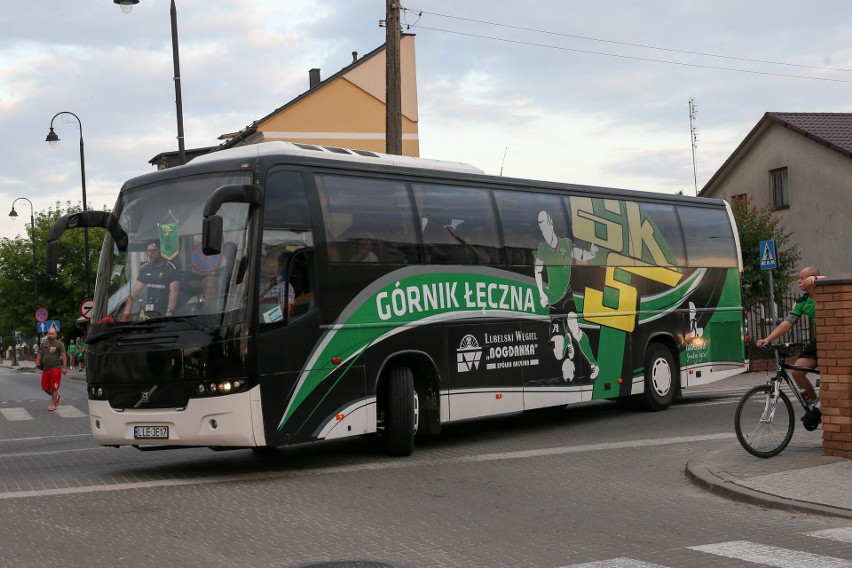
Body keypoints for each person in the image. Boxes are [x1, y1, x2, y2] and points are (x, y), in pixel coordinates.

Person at [534, 210, 600, 382]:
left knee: (575, 329)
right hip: (553, 303)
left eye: (545, 225)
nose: (544, 231)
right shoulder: (542, 248)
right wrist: (541, 293)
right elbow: (537, 269)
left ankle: (594, 365)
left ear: (551, 224)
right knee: (557, 354)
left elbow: (580, 254)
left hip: (567, 298)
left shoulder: (566, 244)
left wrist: (591, 253)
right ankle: (567, 340)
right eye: (540, 228)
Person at [757, 266, 823, 429]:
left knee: (828, 374)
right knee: (797, 371)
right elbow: (787, 324)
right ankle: (816, 405)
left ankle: (820, 408)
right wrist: (767, 339)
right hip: (820, 340)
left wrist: (818, 280)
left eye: (802, 278)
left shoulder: (826, 292)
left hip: (836, 340)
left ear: (811, 279)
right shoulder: (802, 301)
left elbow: (838, 281)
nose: (799, 281)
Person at [122, 240, 180, 321]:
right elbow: (135, 291)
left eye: (153, 251)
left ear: (161, 251)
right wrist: (127, 310)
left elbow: (174, 290)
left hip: (168, 311)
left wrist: (169, 311)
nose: (149, 254)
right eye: (148, 251)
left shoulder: (171, 267)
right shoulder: (145, 268)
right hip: (151, 311)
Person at [35, 327, 67, 411]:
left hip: (55, 368)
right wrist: (37, 361)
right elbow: (39, 353)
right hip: (45, 369)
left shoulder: (59, 344)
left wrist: (64, 367)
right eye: (49, 333)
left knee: (54, 387)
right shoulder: (44, 343)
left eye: (52, 334)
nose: (51, 335)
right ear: (47, 334)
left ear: (56, 335)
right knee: (45, 388)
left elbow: (63, 355)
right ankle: (56, 397)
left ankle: (53, 404)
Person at [259, 254, 295, 319]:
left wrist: (263, 318)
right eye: (268, 267)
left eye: (274, 267)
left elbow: (286, 310)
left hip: (274, 325)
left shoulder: (285, 286)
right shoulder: (257, 285)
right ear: (262, 269)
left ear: (279, 269)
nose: (271, 270)